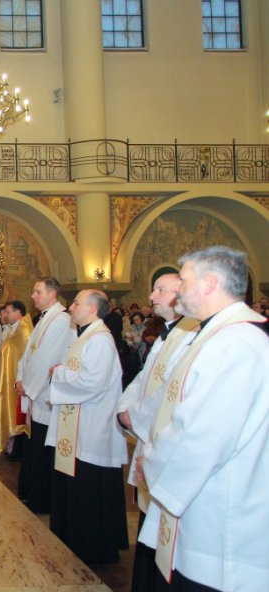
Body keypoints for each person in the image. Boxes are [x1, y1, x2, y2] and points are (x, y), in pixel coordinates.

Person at [137, 247, 268, 591]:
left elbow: (200, 435)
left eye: (183, 280)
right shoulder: (215, 336)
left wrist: (152, 462)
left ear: (209, 284)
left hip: (220, 514)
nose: (177, 290)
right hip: (200, 496)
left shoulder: (236, 343)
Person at [116, 273, 199, 591]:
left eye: (160, 290)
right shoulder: (167, 335)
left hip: (162, 443)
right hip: (146, 435)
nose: (151, 296)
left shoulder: (190, 337)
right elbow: (143, 378)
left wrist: (133, 416)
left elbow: (166, 392)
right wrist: (125, 406)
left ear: (181, 294)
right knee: (148, 517)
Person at [45, 289, 128, 564]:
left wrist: (58, 373)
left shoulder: (100, 340)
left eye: (76, 303)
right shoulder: (84, 337)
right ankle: (73, 538)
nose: (71, 307)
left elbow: (93, 382)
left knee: (90, 486)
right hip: (79, 423)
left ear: (92, 308)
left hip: (92, 425)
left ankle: (92, 546)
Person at [16, 276, 74, 514]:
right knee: (34, 446)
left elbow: (46, 359)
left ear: (52, 294)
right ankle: (31, 492)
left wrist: (28, 386)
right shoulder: (44, 318)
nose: (33, 296)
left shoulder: (60, 320)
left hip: (45, 394)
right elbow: (28, 354)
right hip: (35, 391)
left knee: (42, 449)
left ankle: (41, 499)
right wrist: (20, 377)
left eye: (37, 292)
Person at [0, 300, 33, 456]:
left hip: (18, 379)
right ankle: (9, 445)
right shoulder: (13, 329)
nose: (5, 315)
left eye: (8, 312)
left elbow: (27, 358)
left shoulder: (25, 331)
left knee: (17, 413)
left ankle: (16, 449)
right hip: (9, 378)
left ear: (17, 312)